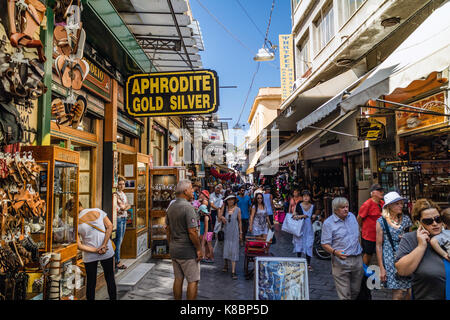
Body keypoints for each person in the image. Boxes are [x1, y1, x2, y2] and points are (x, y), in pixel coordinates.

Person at [395, 199, 446, 300]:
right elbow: (402, 270)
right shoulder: (410, 239)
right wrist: (421, 246)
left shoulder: (447, 236)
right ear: (418, 223)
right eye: (428, 221)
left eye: (438, 219)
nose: (435, 223)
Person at [165, 179, 202, 300]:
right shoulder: (188, 207)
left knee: (178, 279)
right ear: (185, 191)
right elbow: (192, 231)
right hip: (187, 251)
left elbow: (168, 229)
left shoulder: (171, 207)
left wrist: (170, 244)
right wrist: (198, 249)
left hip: (175, 249)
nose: (193, 191)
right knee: (193, 281)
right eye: (191, 188)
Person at [321, 197, 363, 300]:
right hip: (341, 261)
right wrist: (335, 252)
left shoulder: (352, 217)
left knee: (356, 290)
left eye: (347, 206)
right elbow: (324, 243)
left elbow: (358, 234)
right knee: (344, 295)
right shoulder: (328, 223)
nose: (346, 209)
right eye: (342, 207)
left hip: (357, 259)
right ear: (335, 209)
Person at [76, 200, 116, 300]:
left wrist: (95, 250)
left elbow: (79, 246)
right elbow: (110, 226)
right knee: (110, 278)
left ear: (71, 209)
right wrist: (104, 244)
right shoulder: (97, 210)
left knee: (90, 282)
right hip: (106, 250)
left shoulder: (75, 222)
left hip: (89, 254)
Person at [375, 191, 412, 300]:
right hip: (390, 258)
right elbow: (378, 245)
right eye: (397, 203)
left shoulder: (406, 219)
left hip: (405, 256)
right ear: (389, 206)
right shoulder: (381, 221)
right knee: (398, 293)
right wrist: (381, 267)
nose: (401, 205)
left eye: (401, 203)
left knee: (411, 290)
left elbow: (411, 238)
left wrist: (406, 237)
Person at [357, 183, 385, 266]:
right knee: (368, 255)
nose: (382, 192)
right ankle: (363, 274)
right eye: (379, 191)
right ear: (373, 193)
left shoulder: (382, 203)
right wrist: (362, 228)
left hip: (380, 234)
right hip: (369, 236)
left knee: (381, 254)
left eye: (382, 190)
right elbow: (359, 218)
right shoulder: (367, 204)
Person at [219, 194, 243, 280]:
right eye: (229, 200)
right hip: (226, 232)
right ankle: (226, 264)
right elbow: (218, 218)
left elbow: (240, 221)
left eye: (232, 199)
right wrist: (222, 217)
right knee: (226, 248)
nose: (231, 201)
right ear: (226, 201)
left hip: (234, 232)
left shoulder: (238, 209)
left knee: (234, 249)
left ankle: (233, 271)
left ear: (234, 201)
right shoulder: (224, 208)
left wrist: (241, 232)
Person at [292, 190, 316, 271]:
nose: (306, 197)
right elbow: (294, 216)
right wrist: (302, 216)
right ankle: (299, 262)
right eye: (304, 196)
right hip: (300, 229)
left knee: (309, 245)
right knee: (299, 244)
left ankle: (308, 264)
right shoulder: (298, 205)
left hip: (309, 229)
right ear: (302, 197)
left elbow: (316, 216)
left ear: (310, 197)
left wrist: (314, 216)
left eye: (307, 196)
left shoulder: (313, 206)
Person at [114, 176, 130, 270]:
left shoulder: (123, 194)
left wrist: (126, 207)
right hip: (119, 219)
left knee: (120, 240)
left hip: (124, 218)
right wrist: (126, 207)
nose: (121, 186)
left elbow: (127, 206)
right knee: (118, 240)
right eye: (120, 184)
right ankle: (117, 261)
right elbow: (124, 207)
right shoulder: (116, 194)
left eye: (123, 184)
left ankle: (118, 259)